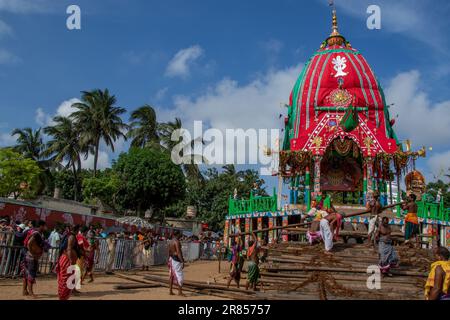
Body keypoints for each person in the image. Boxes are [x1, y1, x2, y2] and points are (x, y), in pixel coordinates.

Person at [21, 220, 47, 298]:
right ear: (41, 226)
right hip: (31, 257)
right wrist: (33, 253)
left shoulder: (33, 232)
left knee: (26, 274)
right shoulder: (36, 234)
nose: (45, 228)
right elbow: (29, 243)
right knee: (31, 274)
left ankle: (24, 291)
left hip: (27, 255)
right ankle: (31, 292)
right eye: (44, 226)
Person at [56, 225, 80, 300]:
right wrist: (70, 261)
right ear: (77, 230)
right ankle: (63, 298)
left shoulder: (68, 235)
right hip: (67, 261)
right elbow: (69, 249)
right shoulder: (72, 237)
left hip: (66, 259)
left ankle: (63, 297)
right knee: (66, 280)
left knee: (65, 280)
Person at [168, 230, 184, 296]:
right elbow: (178, 253)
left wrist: (169, 258)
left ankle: (170, 291)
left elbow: (169, 251)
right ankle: (180, 292)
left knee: (171, 275)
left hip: (171, 259)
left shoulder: (171, 241)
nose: (181, 235)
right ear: (177, 234)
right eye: (180, 234)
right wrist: (182, 261)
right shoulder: (177, 242)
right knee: (179, 275)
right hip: (176, 260)